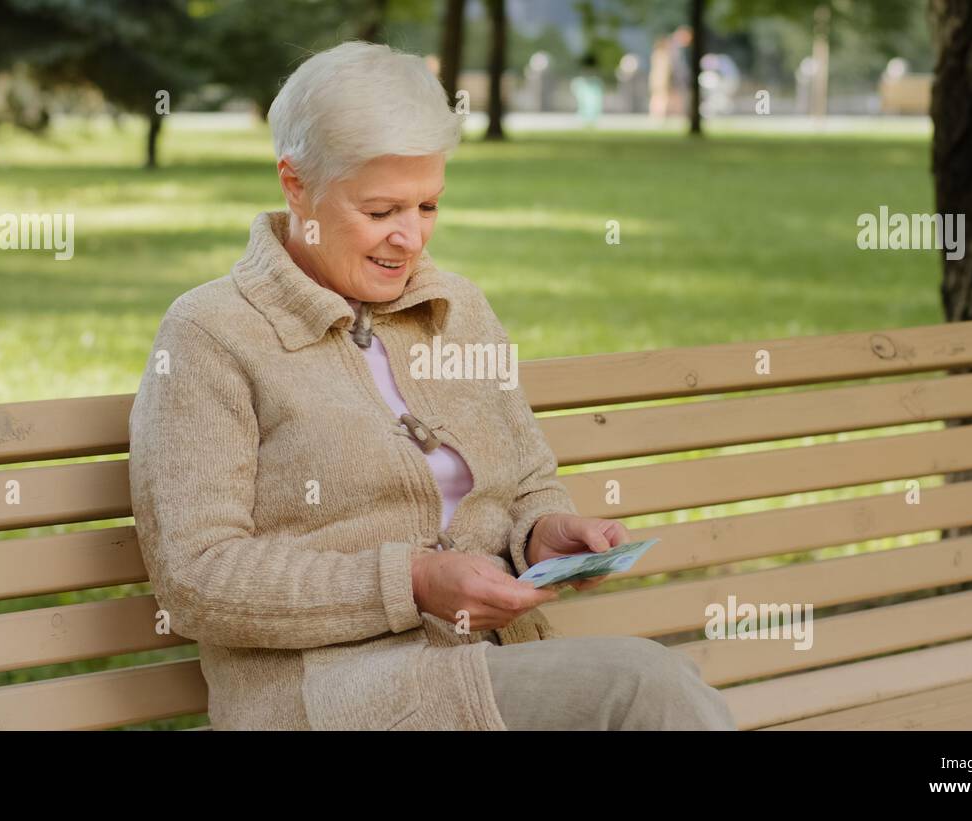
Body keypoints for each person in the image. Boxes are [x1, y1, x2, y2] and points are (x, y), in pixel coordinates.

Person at [127, 40, 737, 732]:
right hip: (330, 698)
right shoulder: (211, 334)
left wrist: (541, 535)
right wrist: (410, 581)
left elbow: (529, 475)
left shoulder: (458, 309)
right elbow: (198, 580)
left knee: (659, 686)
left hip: (485, 668)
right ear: (295, 184)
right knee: (643, 686)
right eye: (382, 211)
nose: (410, 238)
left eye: (428, 206)